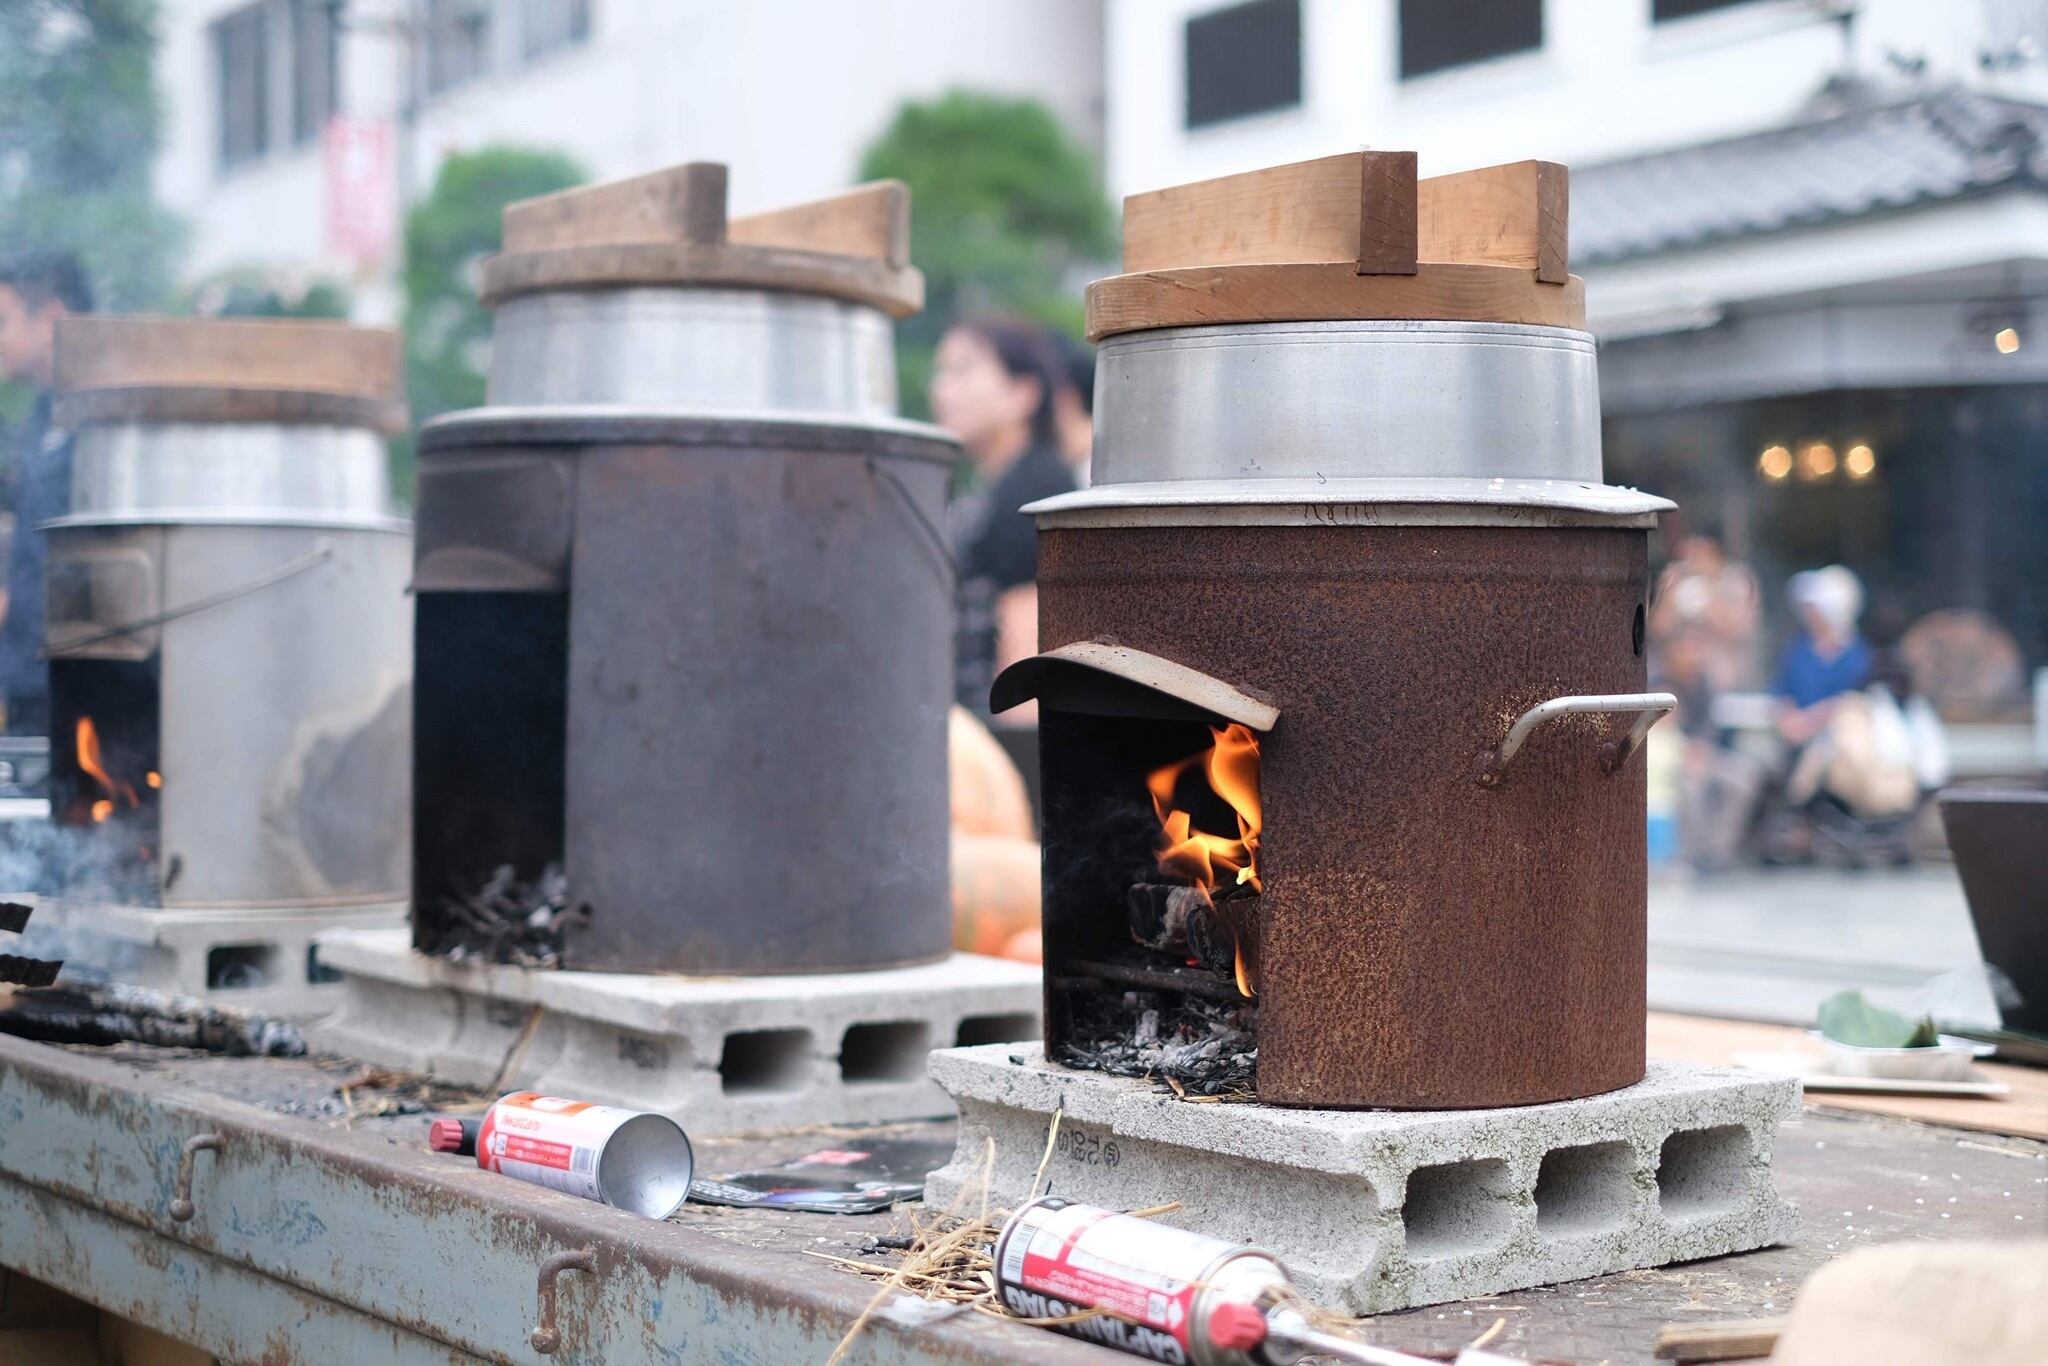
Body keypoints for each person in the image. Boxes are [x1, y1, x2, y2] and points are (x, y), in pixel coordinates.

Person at [932, 317, 1075, 717]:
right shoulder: (992, 486)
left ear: (1023, 392)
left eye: (963, 370)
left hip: (996, 731)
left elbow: (1029, 639)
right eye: (941, 372)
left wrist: (1014, 744)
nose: (942, 390)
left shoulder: (1035, 485)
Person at [0, 251, 92, 735]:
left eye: (3, 321)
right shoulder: (39, 417)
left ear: (52, 317)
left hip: (81, 687)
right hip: (24, 679)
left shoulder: (106, 423)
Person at [1772, 564, 1873, 747]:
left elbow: (1849, 703)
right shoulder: (1798, 646)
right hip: (1790, 739)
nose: (1809, 613)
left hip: (1835, 743)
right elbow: (1783, 689)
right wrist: (1789, 720)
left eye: (1816, 607)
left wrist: (1808, 723)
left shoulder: (1858, 656)